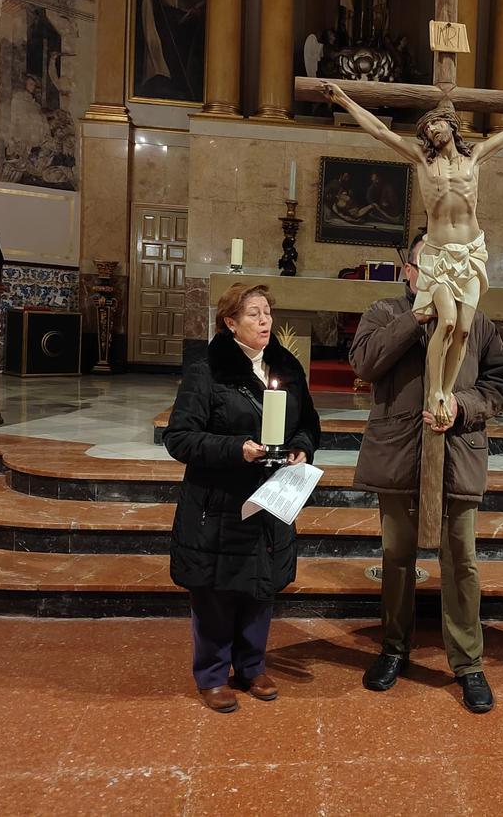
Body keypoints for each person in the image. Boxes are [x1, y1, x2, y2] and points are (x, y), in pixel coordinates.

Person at [321, 80, 503, 428]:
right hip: (437, 254)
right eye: (426, 129)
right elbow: (379, 130)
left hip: (471, 253)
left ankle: (446, 392)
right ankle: (435, 388)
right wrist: (344, 100)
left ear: (451, 125)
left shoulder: (474, 157)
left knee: (463, 331)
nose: (431, 131)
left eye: (435, 124)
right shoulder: (422, 159)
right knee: (446, 321)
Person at [350, 233, 503, 714]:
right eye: (428, 263)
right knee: (396, 557)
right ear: (409, 270)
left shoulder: (475, 320)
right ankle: (393, 649)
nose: (439, 272)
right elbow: (364, 362)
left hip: (457, 454)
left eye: (446, 263)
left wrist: (462, 406)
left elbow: (501, 382)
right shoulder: (384, 312)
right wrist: (416, 318)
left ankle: (468, 663)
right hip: (399, 455)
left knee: (461, 560)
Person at [163, 283, 320, 713]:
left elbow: (308, 422)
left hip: (270, 497)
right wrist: (237, 448)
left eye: (267, 312)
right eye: (254, 313)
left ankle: (251, 666)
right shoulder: (207, 370)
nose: (265, 320)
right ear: (230, 322)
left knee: (260, 586)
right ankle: (213, 674)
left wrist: (301, 447)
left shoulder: (286, 366)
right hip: (218, 501)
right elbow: (179, 438)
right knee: (215, 590)